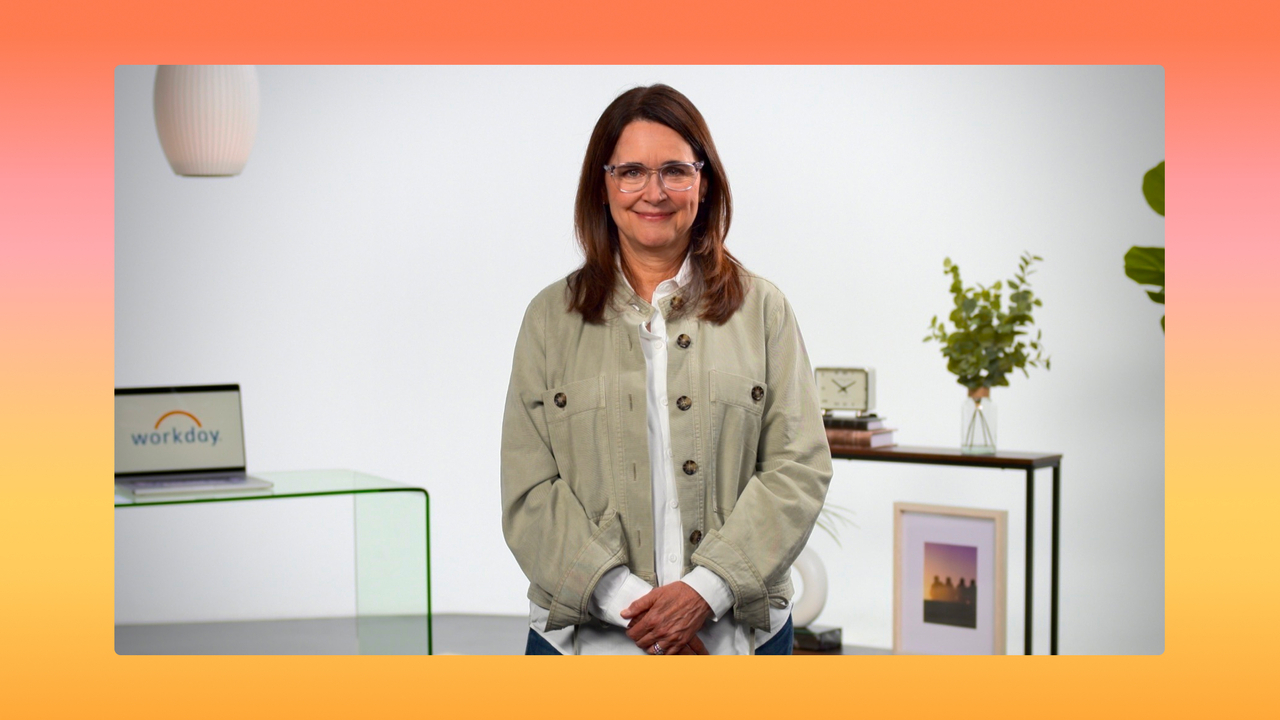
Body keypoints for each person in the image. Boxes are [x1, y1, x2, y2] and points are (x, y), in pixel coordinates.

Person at [500, 84, 832, 655]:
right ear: (603, 186)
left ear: (704, 183)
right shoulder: (548, 320)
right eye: (631, 171)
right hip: (582, 647)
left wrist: (705, 592)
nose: (653, 192)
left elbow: (797, 468)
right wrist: (638, 610)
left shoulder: (764, 311)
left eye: (675, 171)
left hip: (738, 643)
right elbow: (529, 491)